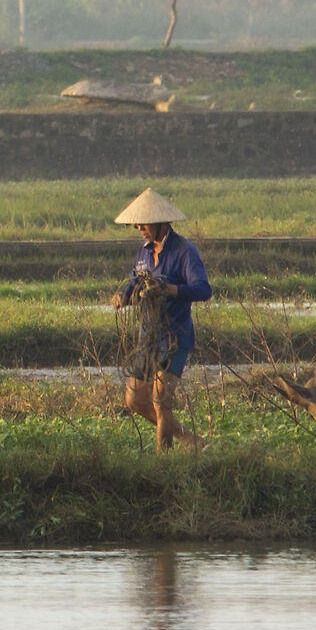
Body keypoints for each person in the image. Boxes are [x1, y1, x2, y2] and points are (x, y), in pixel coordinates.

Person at [109, 187, 209, 448]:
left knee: (161, 400)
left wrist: (169, 290)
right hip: (148, 337)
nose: (140, 228)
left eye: (144, 223)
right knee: (134, 400)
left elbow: (203, 289)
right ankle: (190, 439)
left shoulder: (184, 251)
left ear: (160, 222)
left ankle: (162, 458)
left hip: (175, 337)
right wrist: (123, 295)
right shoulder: (143, 252)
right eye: (137, 224)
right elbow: (134, 280)